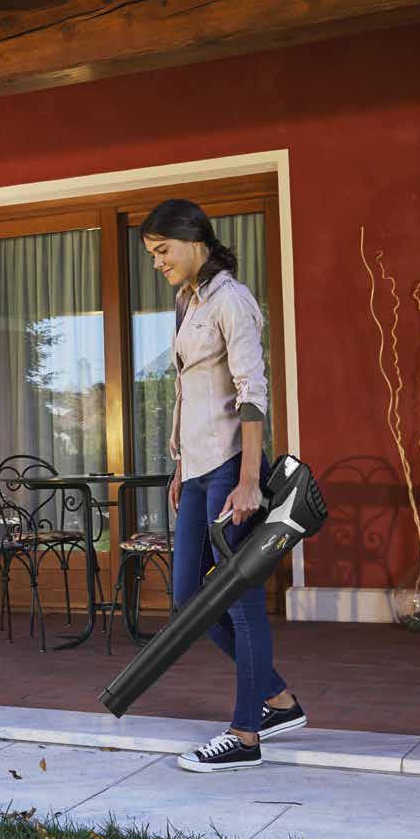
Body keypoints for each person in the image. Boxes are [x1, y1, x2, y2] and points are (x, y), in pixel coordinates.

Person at [140, 198, 306, 772]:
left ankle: (245, 735)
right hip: (197, 470)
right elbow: (189, 392)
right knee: (189, 600)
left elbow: (251, 393)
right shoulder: (188, 302)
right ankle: (278, 700)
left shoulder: (232, 300)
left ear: (194, 241)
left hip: (233, 469)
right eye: (153, 254)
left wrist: (250, 480)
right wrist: (180, 464)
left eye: (162, 250)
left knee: (238, 600)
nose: (158, 263)